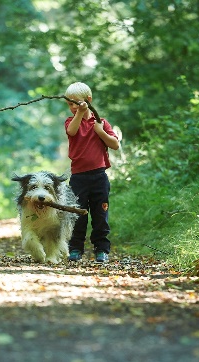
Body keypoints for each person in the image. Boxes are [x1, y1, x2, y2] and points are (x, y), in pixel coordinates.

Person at [64, 82, 120, 263]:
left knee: (100, 215)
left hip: (99, 177)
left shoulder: (101, 123)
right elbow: (71, 132)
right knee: (78, 214)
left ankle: (101, 249)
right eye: (69, 104)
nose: (72, 107)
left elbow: (115, 145)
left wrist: (100, 132)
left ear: (88, 100)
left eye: (76, 103)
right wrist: (79, 113)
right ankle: (75, 249)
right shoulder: (71, 121)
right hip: (79, 177)